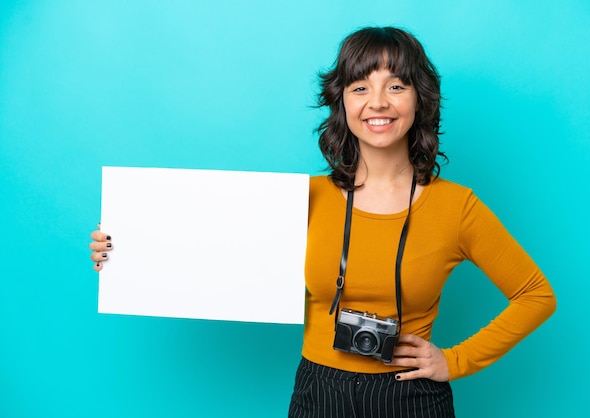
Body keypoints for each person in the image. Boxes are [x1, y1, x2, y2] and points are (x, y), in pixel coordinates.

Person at [90, 26, 556, 418]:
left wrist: (455, 360)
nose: (378, 102)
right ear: (343, 104)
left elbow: (536, 294)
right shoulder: (303, 199)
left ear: (420, 99)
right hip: (318, 392)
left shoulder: (457, 207)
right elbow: (212, 254)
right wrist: (124, 253)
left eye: (396, 85)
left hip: (412, 396)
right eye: (360, 87)